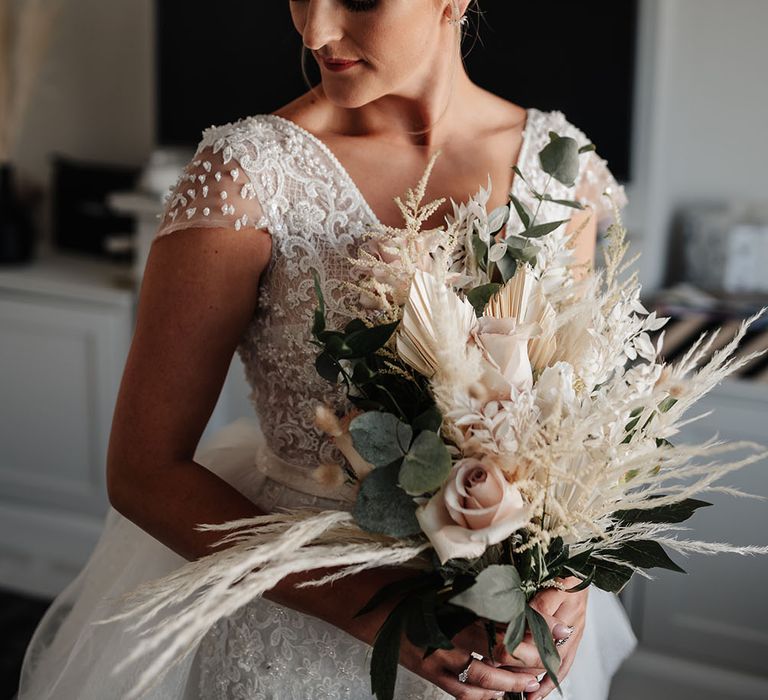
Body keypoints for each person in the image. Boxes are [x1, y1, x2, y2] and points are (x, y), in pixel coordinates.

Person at [18, 1, 637, 698]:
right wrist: (379, 612)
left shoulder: (562, 172)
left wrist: (565, 574)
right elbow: (142, 469)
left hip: (502, 642)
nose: (315, 31)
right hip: (304, 636)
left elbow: (569, 427)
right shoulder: (247, 177)